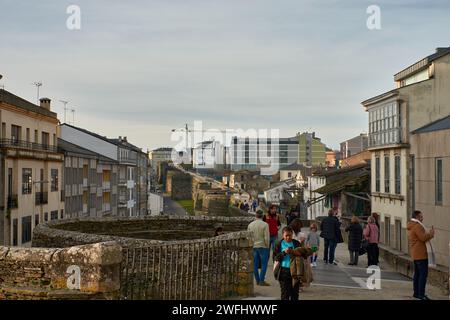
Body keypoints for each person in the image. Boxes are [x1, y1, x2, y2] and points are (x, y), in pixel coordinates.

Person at [274, 226, 312, 300]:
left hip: (296, 271)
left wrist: (298, 251)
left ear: (292, 235)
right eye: (286, 236)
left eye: (290, 235)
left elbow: (304, 255)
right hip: (283, 271)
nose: (288, 237)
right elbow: (275, 258)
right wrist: (284, 252)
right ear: (283, 235)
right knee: (285, 294)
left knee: (294, 293)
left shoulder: (296, 243)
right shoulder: (278, 244)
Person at [407, 210, 435, 300]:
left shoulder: (411, 225)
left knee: (417, 274)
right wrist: (431, 234)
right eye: (421, 216)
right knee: (423, 275)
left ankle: (416, 293)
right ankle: (421, 294)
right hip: (421, 254)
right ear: (417, 217)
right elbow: (423, 238)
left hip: (415, 254)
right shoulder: (417, 226)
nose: (422, 218)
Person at [247, 210, 271, 286]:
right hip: (263, 246)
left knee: (255, 264)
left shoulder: (250, 225)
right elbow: (266, 237)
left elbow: (248, 236)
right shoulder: (265, 225)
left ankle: (257, 280)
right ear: (262, 216)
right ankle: (261, 280)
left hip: (254, 246)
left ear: (255, 216)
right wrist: (267, 245)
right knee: (264, 264)